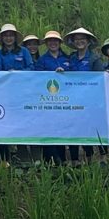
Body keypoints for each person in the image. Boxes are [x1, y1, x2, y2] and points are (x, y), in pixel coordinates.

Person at [64, 27, 101, 164]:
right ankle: (74, 160)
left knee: (86, 128)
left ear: (88, 41)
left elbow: (100, 79)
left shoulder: (94, 58)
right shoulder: (71, 58)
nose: (79, 42)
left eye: (82, 39)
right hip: (72, 100)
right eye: (77, 39)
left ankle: (90, 158)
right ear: (73, 42)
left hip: (89, 101)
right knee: (73, 128)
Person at [36, 31, 71, 164]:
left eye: (55, 40)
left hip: (64, 101)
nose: (53, 43)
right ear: (46, 43)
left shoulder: (67, 59)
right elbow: (37, 78)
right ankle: (49, 159)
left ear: (60, 43)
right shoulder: (42, 60)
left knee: (61, 127)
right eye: (49, 41)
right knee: (47, 128)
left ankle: (61, 158)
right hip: (46, 100)